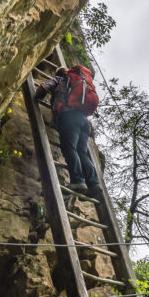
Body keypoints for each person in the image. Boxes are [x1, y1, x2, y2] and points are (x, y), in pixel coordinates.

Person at [36, 65, 102, 200]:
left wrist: (38, 97)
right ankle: (94, 184)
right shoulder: (81, 82)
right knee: (82, 153)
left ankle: (78, 181)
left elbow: (44, 87)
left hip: (69, 117)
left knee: (69, 149)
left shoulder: (60, 79)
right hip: (84, 122)